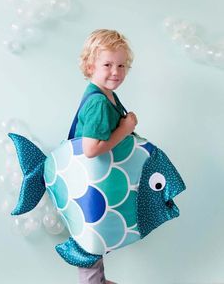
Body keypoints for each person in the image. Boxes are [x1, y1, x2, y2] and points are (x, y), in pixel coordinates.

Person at [75, 29, 138, 284]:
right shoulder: (99, 102)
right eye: (108, 64)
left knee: (95, 238)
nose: (116, 71)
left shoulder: (107, 95)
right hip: (88, 182)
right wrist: (124, 130)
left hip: (95, 181)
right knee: (90, 241)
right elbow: (91, 149)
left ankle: (98, 280)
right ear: (90, 66)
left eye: (121, 65)